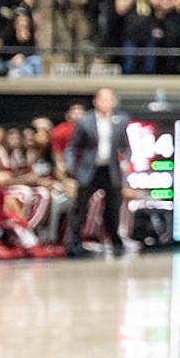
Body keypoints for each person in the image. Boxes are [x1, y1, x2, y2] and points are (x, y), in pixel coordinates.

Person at [65, 87, 129, 256]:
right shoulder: (85, 121)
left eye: (109, 100)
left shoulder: (121, 120)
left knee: (113, 207)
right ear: (95, 101)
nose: (106, 103)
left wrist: (126, 162)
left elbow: (125, 146)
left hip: (110, 168)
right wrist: (71, 169)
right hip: (89, 169)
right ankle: (73, 243)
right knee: (81, 208)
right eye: (103, 99)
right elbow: (72, 146)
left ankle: (115, 241)